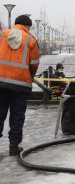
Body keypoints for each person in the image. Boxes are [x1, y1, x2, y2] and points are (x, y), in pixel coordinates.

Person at [0, 15, 40, 156]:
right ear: (27, 26)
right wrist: (30, 75)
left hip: (1, 82)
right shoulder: (30, 40)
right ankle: (13, 146)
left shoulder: (3, 34)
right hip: (20, 84)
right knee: (17, 115)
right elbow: (34, 63)